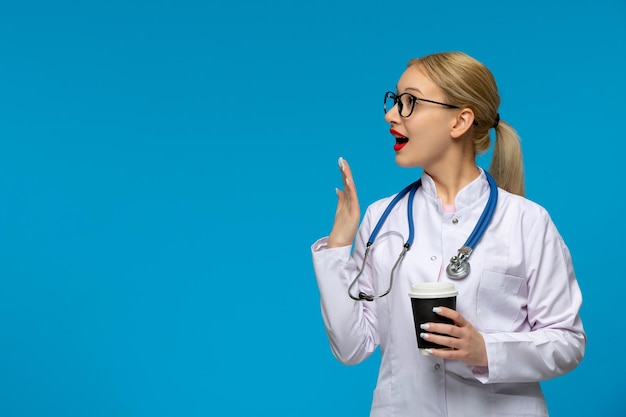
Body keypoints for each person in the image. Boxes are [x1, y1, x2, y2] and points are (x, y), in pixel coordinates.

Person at [310, 51, 585, 417]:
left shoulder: (527, 222)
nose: (391, 114)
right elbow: (351, 347)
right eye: (394, 101)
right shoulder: (381, 220)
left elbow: (568, 341)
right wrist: (339, 246)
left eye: (409, 102)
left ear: (460, 121)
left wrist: (485, 350)